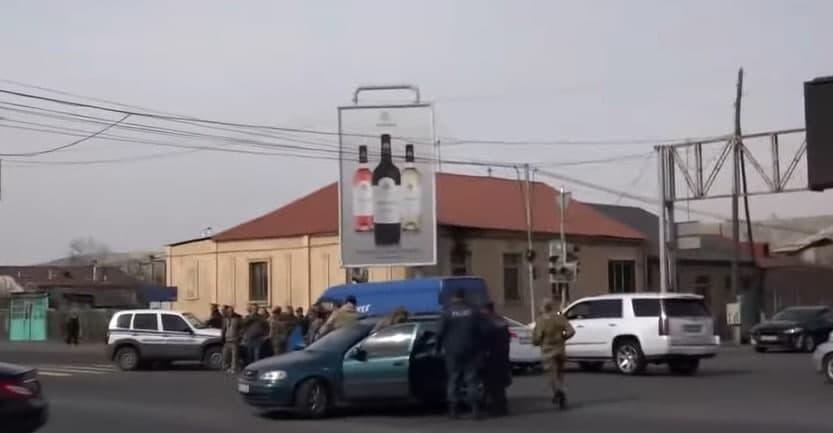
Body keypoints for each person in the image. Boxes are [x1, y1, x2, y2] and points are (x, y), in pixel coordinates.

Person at [436, 289, 485, 419]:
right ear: (464, 297)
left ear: (453, 297)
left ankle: (453, 410)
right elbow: (482, 330)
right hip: (472, 350)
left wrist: (437, 348)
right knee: (472, 379)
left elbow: (440, 332)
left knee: (454, 379)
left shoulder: (447, 311)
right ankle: (475, 410)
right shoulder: (474, 310)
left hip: (453, 351)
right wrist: (482, 348)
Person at [532, 299, 575, 409]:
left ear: (543, 308)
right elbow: (571, 331)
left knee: (552, 374)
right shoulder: (559, 318)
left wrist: (537, 342)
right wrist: (564, 337)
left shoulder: (541, 321)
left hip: (547, 350)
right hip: (560, 349)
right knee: (560, 373)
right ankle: (561, 389)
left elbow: (537, 337)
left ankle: (558, 392)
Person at [480, 302, 511, 416]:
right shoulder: (501, 320)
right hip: (502, 355)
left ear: (486, 310)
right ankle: (502, 407)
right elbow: (507, 339)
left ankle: (494, 408)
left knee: (491, 384)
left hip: (490, 356)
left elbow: (483, 339)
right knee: (500, 385)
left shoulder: (486, 322)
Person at [221, 305, 242, 374]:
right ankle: (226, 367)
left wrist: (239, 337)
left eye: (231, 311)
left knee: (234, 356)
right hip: (227, 339)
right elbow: (224, 329)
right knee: (226, 355)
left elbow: (241, 329)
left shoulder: (237, 319)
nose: (230, 312)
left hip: (234, 340)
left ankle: (234, 368)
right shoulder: (225, 319)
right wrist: (222, 337)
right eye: (228, 311)